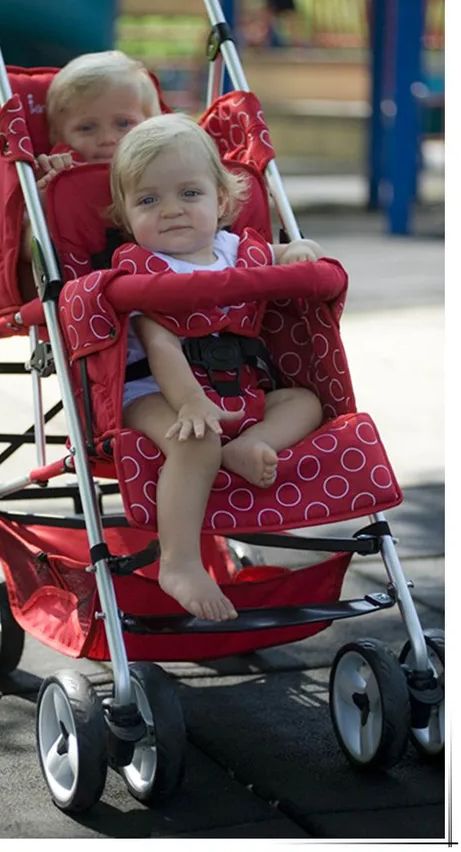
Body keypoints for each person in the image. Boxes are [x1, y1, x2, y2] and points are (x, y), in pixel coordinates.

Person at [108, 113, 326, 622]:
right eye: (148, 200)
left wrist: (294, 252)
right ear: (125, 217)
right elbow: (160, 343)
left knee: (305, 401)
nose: (171, 211)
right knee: (195, 439)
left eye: (189, 194)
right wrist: (189, 403)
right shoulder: (140, 270)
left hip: (235, 387)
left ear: (222, 203)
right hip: (153, 395)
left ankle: (253, 443)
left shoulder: (234, 251)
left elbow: (274, 255)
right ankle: (179, 562)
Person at [21, 51, 162, 257]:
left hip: (164, 272)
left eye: (123, 123)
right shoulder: (58, 172)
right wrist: (42, 203)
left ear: (152, 123)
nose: (107, 138)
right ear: (58, 135)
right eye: (87, 128)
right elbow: (25, 252)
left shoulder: (166, 163)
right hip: (82, 279)